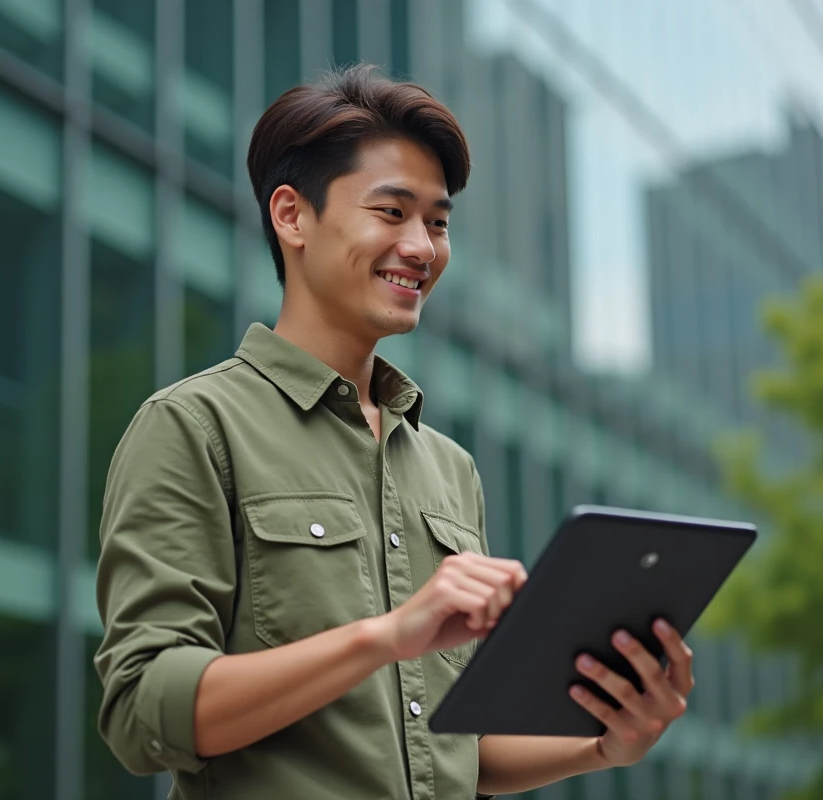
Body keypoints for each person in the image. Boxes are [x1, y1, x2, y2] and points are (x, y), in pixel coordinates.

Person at [94, 64, 695, 799]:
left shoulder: (449, 468)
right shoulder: (194, 427)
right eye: (392, 212)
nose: (423, 247)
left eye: (438, 223)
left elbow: (458, 746)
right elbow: (143, 708)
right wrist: (386, 637)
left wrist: (604, 742)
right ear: (291, 216)